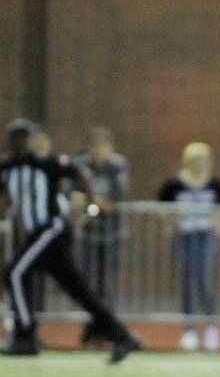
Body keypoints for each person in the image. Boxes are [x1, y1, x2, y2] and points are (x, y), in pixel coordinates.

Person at [0, 119, 140, 363]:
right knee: (78, 290)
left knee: (14, 273)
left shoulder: (46, 163)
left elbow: (79, 172)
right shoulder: (7, 167)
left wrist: (90, 204)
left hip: (51, 229)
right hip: (39, 234)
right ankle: (122, 336)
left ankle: (25, 336)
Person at [158, 142, 220, 352]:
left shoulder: (215, 183)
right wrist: (169, 222)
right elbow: (161, 205)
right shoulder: (175, 184)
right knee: (187, 280)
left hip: (205, 235)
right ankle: (189, 330)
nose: (200, 164)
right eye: (196, 160)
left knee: (203, 278)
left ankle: (212, 326)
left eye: (204, 159)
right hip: (184, 234)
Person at [74, 127, 129, 305]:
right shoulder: (81, 165)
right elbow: (72, 194)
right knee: (87, 276)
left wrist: (91, 200)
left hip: (111, 231)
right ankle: (92, 315)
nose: (98, 151)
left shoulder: (117, 166)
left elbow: (115, 201)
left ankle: (107, 315)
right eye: (95, 147)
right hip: (88, 229)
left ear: (110, 148)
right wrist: (96, 202)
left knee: (107, 277)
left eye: (102, 147)